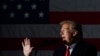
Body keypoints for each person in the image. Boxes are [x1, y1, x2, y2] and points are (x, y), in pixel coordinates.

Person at [22, 20, 97, 56]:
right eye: (61, 31)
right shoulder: (59, 50)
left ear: (74, 33)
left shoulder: (88, 49)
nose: (61, 33)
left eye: (64, 31)